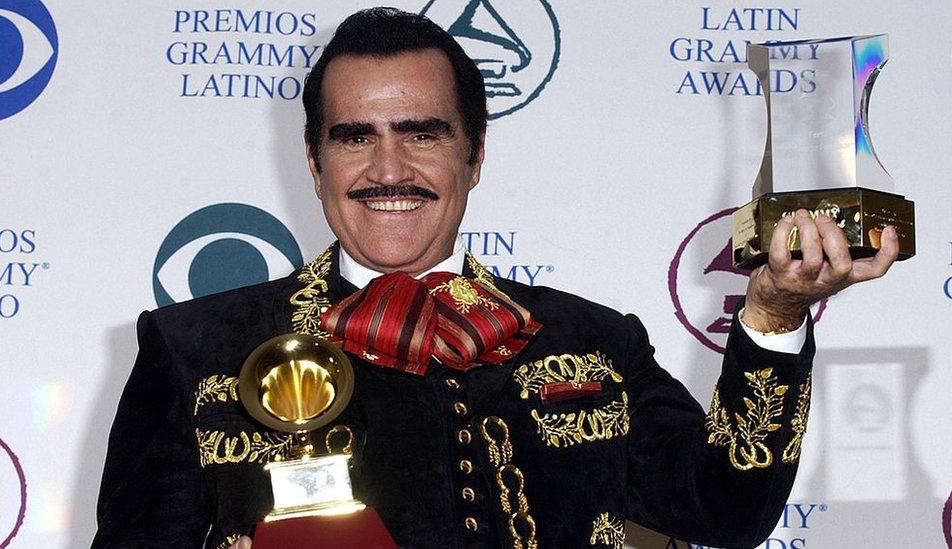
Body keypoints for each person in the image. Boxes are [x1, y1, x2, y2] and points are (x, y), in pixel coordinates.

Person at [93, 8, 899, 549]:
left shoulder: (594, 340)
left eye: (421, 134)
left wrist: (774, 308)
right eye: (353, 137)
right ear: (313, 160)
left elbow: (728, 508)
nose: (388, 169)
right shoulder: (196, 347)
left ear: (475, 155)